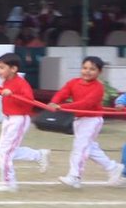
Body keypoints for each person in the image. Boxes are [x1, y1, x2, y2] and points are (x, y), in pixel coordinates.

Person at [49, 56, 123, 188]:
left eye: (92, 69)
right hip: (79, 119)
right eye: (85, 68)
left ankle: (74, 176)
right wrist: (54, 102)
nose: (87, 71)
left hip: (92, 120)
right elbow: (62, 93)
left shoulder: (98, 88)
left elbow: (85, 104)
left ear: (99, 72)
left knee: (79, 147)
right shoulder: (73, 82)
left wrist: (61, 107)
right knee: (89, 148)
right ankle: (113, 167)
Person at [0, 53, 50, 192]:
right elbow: (5, 92)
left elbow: (29, 102)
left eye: (2, 67)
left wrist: (12, 95)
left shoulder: (21, 83)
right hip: (8, 118)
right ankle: (38, 155)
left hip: (18, 119)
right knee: (6, 151)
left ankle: (9, 183)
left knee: (5, 151)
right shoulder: (6, 81)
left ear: (13, 69)